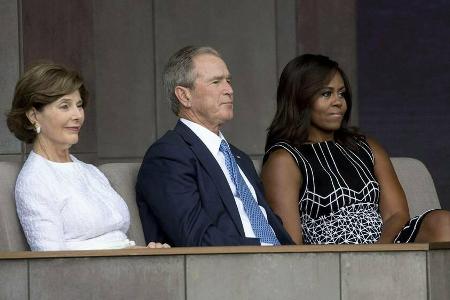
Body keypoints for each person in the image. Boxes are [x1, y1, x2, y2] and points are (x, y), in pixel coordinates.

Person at [261, 54, 450, 244]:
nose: (338, 102)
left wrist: (377, 254)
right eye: (326, 93)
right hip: (331, 260)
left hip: (386, 247)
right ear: (299, 99)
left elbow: (396, 214)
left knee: (443, 222)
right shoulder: (284, 159)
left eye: (341, 93)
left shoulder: (366, 146)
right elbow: (291, 245)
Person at [136, 46, 293, 246]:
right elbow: (196, 239)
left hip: (281, 263)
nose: (229, 90)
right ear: (185, 96)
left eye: (228, 81)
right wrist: (265, 250)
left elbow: (272, 225)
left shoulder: (239, 158)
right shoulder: (168, 156)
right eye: (216, 82)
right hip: (232, 269)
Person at [7, 63, 169, 251]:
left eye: (79, 105)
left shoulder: (90, 171)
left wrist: (146, 254)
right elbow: (50, 265)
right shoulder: (35, 181)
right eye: (65, 106)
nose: (77, 115)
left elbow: (117, 242)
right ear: (34, 115)